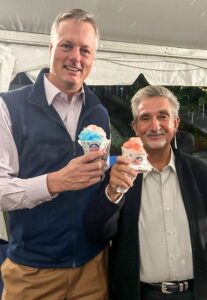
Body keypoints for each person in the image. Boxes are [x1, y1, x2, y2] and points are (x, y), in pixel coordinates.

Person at [0, 8, 110, 300]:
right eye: (67, 45)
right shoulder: (8, 107)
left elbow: (99, 187)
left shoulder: (99, 111)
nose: (76, 57)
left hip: (93, 267)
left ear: (93, 57)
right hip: (32, 272)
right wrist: (55, 182)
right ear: (51, 48)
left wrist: (117, 183)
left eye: (85, 50)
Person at [85, 86, 207, 300]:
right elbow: (97, 234)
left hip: (197, 293)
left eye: (163, 116)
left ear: (175, 123)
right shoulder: (120, 174)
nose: (155, 126)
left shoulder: (199, 173)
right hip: (141, 294)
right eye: (145, 118)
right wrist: (112, 193)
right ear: (135, 127)